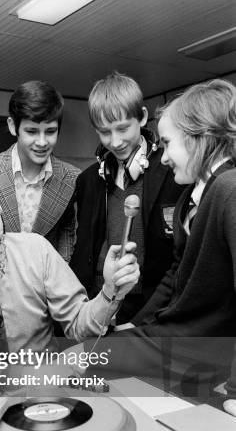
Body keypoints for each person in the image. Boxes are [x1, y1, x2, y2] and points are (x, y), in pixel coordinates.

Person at [0, 164, 139, 390]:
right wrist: (25, 375)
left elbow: (80, 328)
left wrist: (109, 291)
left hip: (49, 393)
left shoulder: (35, 249)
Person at [81, 78, 236, 412]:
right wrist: (138, 325)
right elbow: (176, 274)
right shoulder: (189, 199)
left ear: (201, 140)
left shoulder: (230, 189)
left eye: (167, 144)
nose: (162, 157)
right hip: (177, 338)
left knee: (85, 358)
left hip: (202, 347)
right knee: (89, 357)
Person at [70, 72, 184, 323]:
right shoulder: (88, 180)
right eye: (104, 132)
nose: (115, 141)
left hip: (152, 306)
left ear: (143, 117)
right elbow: (83, 250)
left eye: (123, 129)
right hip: (99, 302)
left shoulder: (173, 171)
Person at [0, 80, 79, 262]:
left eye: (50, 131)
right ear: (13, 126)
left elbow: (66, 238)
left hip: (47, 284)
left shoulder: (72, 178)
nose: (42, 142)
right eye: (32, 131)